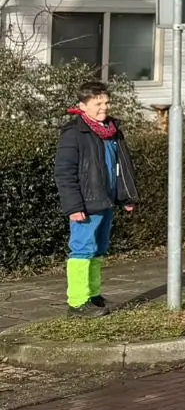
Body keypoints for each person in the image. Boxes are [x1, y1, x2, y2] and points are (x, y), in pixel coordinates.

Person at [53, 78, 138, 317]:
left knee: (99, 248)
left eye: (106, 103)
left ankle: (92, 295)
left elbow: (123, 166)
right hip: (86, 204)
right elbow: (64, 172)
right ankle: (77, 302)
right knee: (82, 249)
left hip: (105, 200)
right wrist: (73, 207)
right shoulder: (74, 133)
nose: (104, 108)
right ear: (83, 106)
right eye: (98, 103)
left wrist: (127, 197)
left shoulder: (113, 131)